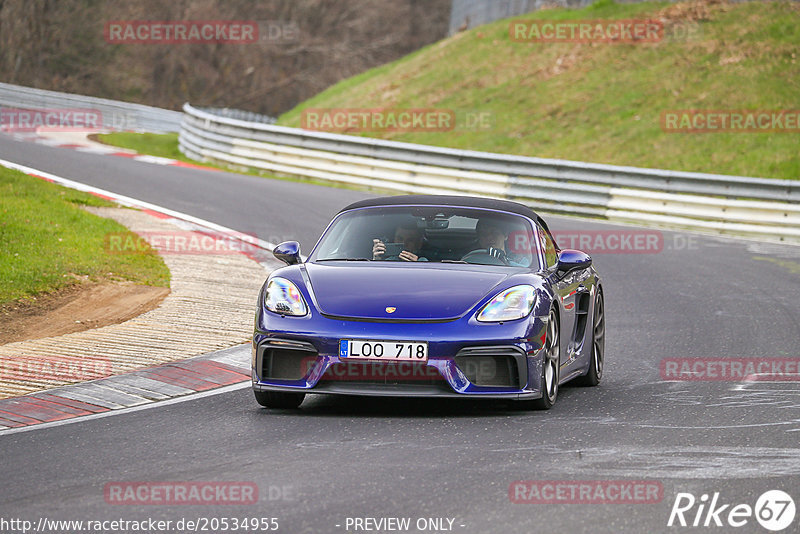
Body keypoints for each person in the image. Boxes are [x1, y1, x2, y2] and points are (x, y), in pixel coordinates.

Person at [463, 218, 530, 267]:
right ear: (478, 238)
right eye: (483, 234)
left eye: (495, 233)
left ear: (505, 235)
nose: (489, 237)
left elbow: (524, 271)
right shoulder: (469, 258)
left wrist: (504, 261)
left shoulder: (519, 260)